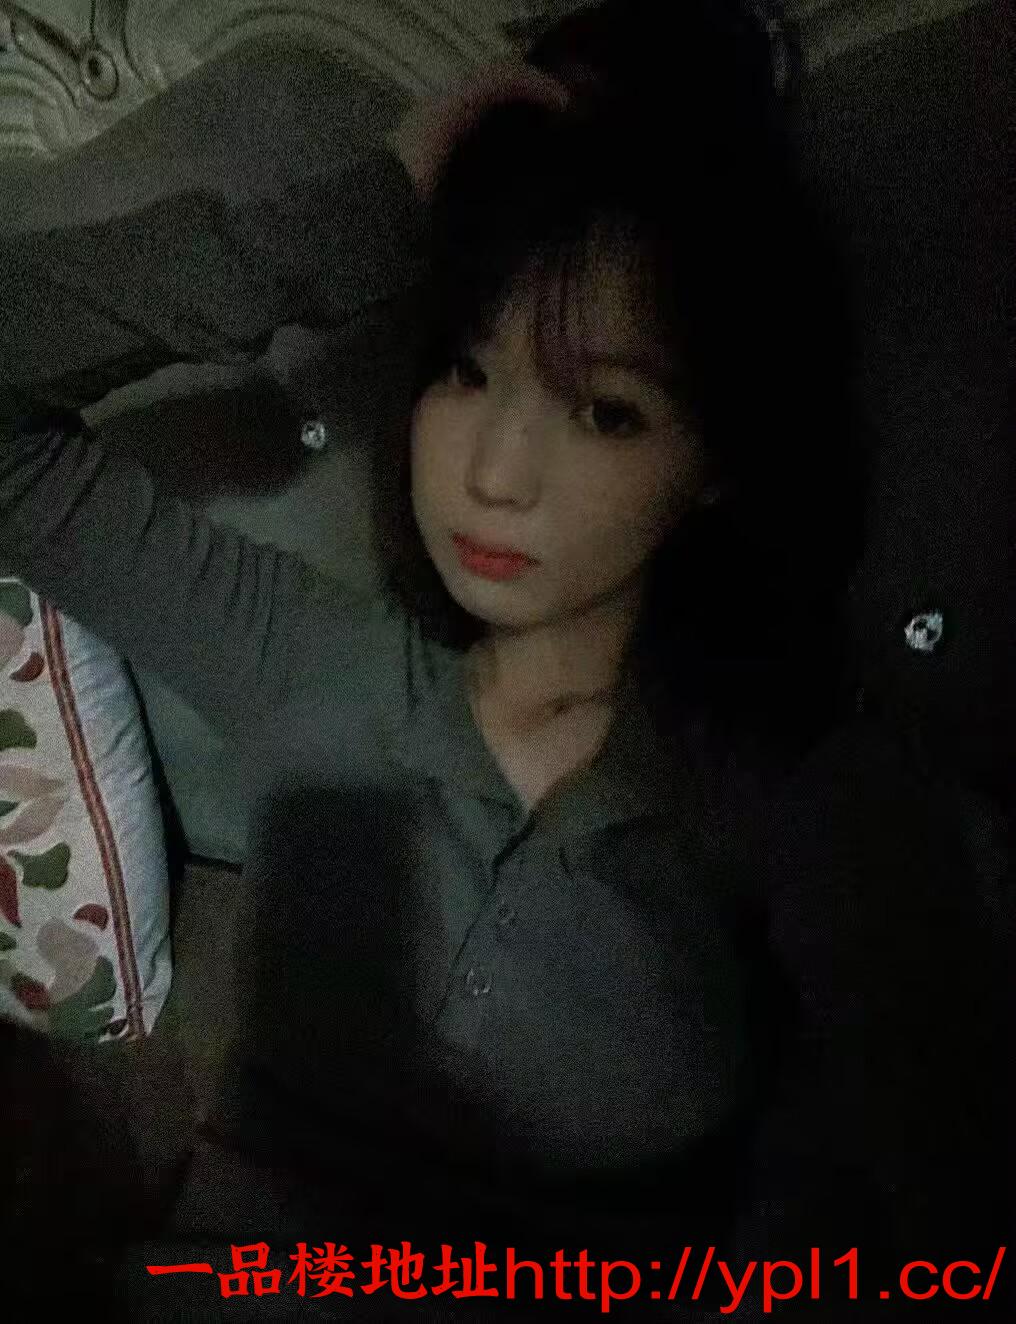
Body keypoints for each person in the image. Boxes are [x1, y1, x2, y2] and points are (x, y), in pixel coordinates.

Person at [1, 1, 1010, 1318]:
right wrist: (362, 211)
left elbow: (945, 1227)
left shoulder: (812, 800)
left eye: (605, 410)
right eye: (468, 373)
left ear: (719, 458)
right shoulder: (314, 661)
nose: (493, 473)